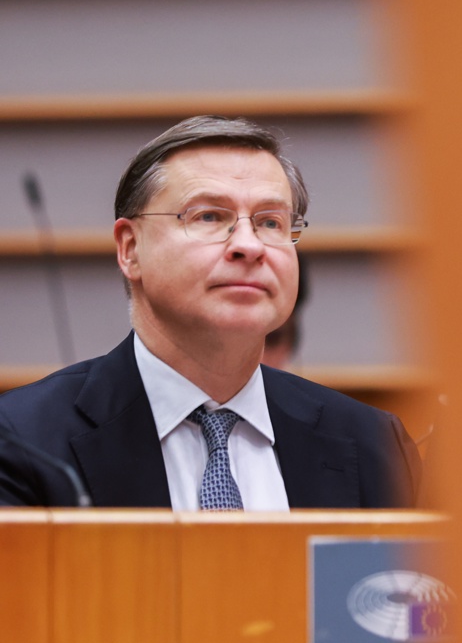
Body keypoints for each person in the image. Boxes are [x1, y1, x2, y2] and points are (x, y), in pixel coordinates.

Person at [0, 116, 422, 509]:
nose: (249, 245)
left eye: (271, 222)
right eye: (208, 216)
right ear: (130, 249)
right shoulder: (23, 442)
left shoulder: (372, 445)